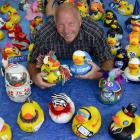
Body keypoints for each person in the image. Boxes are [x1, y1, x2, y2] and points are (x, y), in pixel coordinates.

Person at [28, 2, 114, 89]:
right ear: (56, 24)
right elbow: (32, 62)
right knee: (50, 16)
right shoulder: (45, 36)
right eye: (61, 25)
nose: (66, 31)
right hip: (52, 20)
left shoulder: (94, 32)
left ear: (80, 22)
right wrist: (35, 76)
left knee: (53, 15)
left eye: (71, 24)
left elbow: (108, 58)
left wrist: (101, 73)